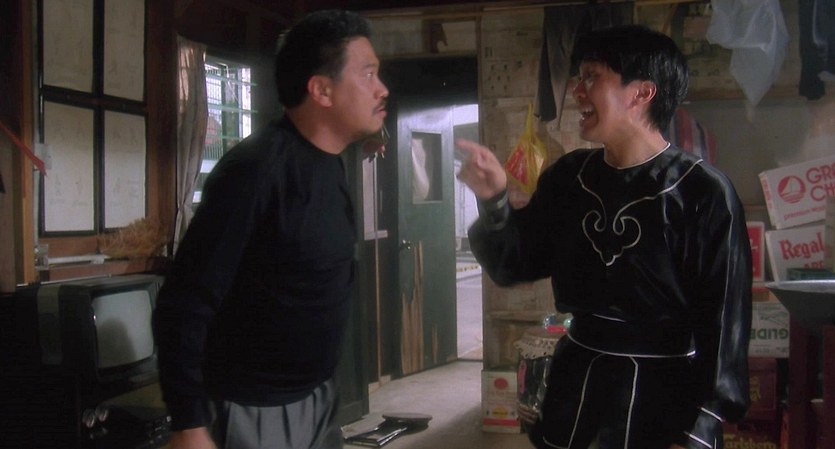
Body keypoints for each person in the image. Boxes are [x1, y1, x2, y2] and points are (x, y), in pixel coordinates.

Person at [457, 25, 751, 449]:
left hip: (664, 398)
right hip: (575, 387)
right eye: (579, 77)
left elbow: (725, 321)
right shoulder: (569, 177)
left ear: (641, 93)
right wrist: (495, 201)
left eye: (592, 77)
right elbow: (515, 265)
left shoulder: (702, 192)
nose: (577, 91)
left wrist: (704, 421)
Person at [152, 9, 389, 449]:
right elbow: (183, 303)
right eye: (368, 74)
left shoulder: (330, 164)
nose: (382, 89)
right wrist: (188, 423)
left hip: (317, 398)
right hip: (253, 409)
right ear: (321, 89)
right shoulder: (255, 171)